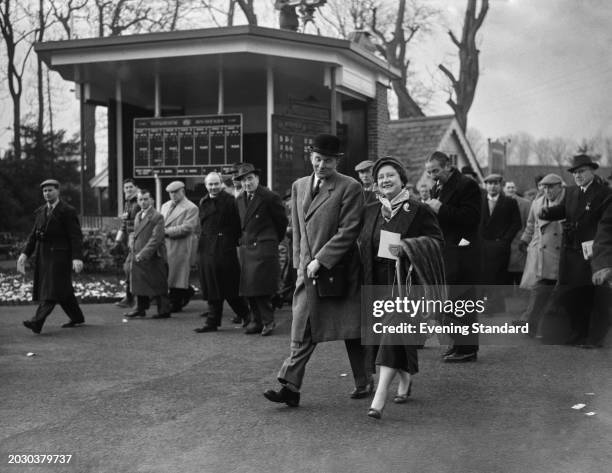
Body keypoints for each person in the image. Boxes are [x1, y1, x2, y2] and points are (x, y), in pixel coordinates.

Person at [263, 133, 369, 407]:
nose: (322, 165)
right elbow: (297, 228)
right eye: (318, 159)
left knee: (351, 329)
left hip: (338, 270)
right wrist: (300, 265)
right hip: (307, 272)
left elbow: (349, 231)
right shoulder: (299, 186)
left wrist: (320, 260)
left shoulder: (350, 187)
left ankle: (364, 380)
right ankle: (290, 387)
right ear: (311, 156)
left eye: (328, 161)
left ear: (337, 161)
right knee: (302, 328)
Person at [359, 157, 444, 419]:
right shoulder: (371, 210)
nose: (385, 180)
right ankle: (406, 381)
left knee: (393, 334)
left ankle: (379, 396)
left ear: (401, 179)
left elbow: (436, 243)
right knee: (396, 337)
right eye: (381, 177)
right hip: (378, 286)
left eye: (390, 176)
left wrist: (406, 249)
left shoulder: (418, 209)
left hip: (408, 286)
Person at [540, 154, 612, 348]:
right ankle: (578, 331)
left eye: (581, 171)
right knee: (572, 296)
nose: (578, 176)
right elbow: (566, 210)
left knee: (593, 297)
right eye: (574, 173)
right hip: (570, 251)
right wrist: (549, 212)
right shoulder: (571, 192)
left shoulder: (604, 193)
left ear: (592, 170)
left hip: (590, 252)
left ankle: (594, 337)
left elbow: (605, 225)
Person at [425, 151, 482, 362]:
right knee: (452, 303)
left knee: (463, 302)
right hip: (446, 253)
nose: (432, 176)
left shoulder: (467, 185)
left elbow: (472, 218)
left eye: (436, 171)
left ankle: (467, 349)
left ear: (448, 165)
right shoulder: (436, 187)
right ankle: (458, 344)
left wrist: (440, 208)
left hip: (463, 254)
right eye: (429, 172)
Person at [19, 179, 85, 334]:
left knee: (51, 289)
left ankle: (37, 321)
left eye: (50, 190)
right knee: (63, 290)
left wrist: (77, 257)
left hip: (60, 255)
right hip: (44, 255)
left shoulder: (67, 211)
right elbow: (33, 236)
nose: (47, 193)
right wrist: (24, 253)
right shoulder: (41, 211)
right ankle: (77, 317)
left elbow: (75, 236)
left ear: (58, 191)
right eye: (44, 191)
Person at [235, 163, 288, 336]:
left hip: (263, 247)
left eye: (250, 178)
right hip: (247, 247)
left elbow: (281, 222)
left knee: (261, 287)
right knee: (249, 288)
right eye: (243, 180)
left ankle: (268, 321)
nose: (247, 183)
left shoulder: (269, 197)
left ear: (257, 178)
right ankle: (256, 321)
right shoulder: (240, 199)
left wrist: (271, 240)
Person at [194, 172, 250, 332]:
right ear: (206, 185)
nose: (213, 187)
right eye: (210, 184)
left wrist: (227, 241)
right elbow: (203, 227)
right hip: (206, 249)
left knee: (229, 286)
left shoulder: (230, 201)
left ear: (221, 184)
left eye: (216, 183)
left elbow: (238, 225)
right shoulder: (203, 201)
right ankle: (212, 322)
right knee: (211, 285)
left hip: (224, 249)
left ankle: (247, 315)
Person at [516, 174, 565, 337]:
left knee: (554, 291)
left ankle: (541, 325)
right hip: (540, 251)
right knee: (539, 289)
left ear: (560, 186)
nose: (547, 190)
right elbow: (531, 225)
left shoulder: (567, 202)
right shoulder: (536, 203)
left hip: (561, 252)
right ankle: (531, 324)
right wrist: (524, 240)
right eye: (544, 187)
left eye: (551, 187)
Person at [124, 189, 171, 319]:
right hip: (139, 253)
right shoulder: (138, 215)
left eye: (146, 199)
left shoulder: (157, 216)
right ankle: (140, 308)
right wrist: (132, 246)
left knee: (158, 283)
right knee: (139, 282)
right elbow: (136, 234)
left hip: (154, 256)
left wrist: (143, 253)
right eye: (140, 199)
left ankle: (164, 310)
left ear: (151, 200)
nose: (143, 202)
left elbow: (156, 239)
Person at [479, 174, 522, 314]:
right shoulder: (478, 202)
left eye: (495, 183)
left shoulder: (509, 202)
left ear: (500, 185)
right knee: (484, 275)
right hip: (482, 245)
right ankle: (492, 304)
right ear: (485, 185)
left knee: (498, 276)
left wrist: (505, 240)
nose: (492, 186)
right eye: (489, 183)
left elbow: (516, 224)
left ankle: (495, 305)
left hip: (500, 246)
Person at [160, 181, 199, 312]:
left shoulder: (191, 207)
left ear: (183, 191)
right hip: (166, 245)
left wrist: (166, 232)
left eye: (176, 192)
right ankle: (185, 293)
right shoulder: (165, 206)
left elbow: (188, 228)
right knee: (170, 274)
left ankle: (176, 302)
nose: (173, 195)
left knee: (177, 275)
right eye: (171, 192)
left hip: (180, 245)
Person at [115, 178, 141, 308]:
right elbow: (124, 224)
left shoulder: (140, 201)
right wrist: (118, 241)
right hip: (130, 241)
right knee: (130, 268)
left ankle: (132, 298)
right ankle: (133, 297)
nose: (129, 189)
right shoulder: (128, 202)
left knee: (129, 267)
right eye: (126, 188)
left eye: (131, 187)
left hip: (139, 240)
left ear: (136, 187)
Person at [506, 182, 532, 286]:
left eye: (512, 187)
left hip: (520, 240)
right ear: (504, 189)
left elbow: (529, 223)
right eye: (508, 187)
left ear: (515, 189)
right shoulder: (499, 202)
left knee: (520, 269)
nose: (510, 189)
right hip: (506, 241)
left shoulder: (526, 203)